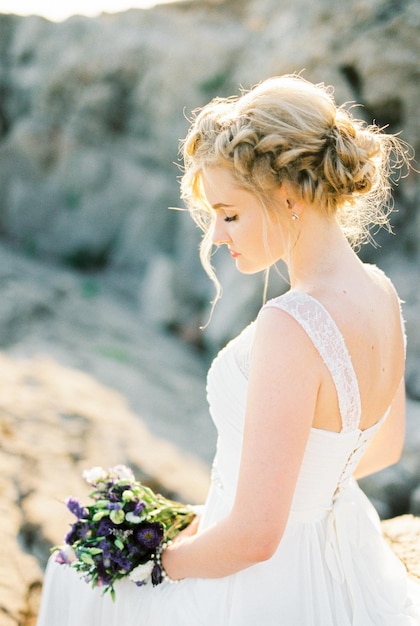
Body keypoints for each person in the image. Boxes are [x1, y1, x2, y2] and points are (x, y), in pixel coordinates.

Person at [37, 74, 420, 625]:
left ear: (288, 196)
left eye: (230, 213)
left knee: (75, 581)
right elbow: (383, 450)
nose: (216, 234)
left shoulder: (291, 324)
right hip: (344, 556)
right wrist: (226, 510)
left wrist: (158, 560)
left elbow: (255, 538)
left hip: (266, 587)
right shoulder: (381, 292)